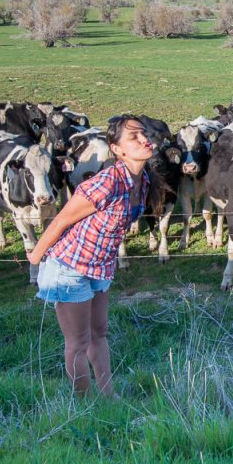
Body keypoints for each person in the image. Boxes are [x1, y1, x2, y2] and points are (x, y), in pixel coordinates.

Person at [27, 114, 162, 396]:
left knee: (98, 334)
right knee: (78, 341)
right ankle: (85, 405)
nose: (143, 139)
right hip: (70, 267)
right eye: (133, 137)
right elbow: (62, 220)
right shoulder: (106, 183)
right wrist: (36, 255)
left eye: (143, 133)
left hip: (100, 267)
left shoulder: (143, 180)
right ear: (117, 149)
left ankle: (108, 397)